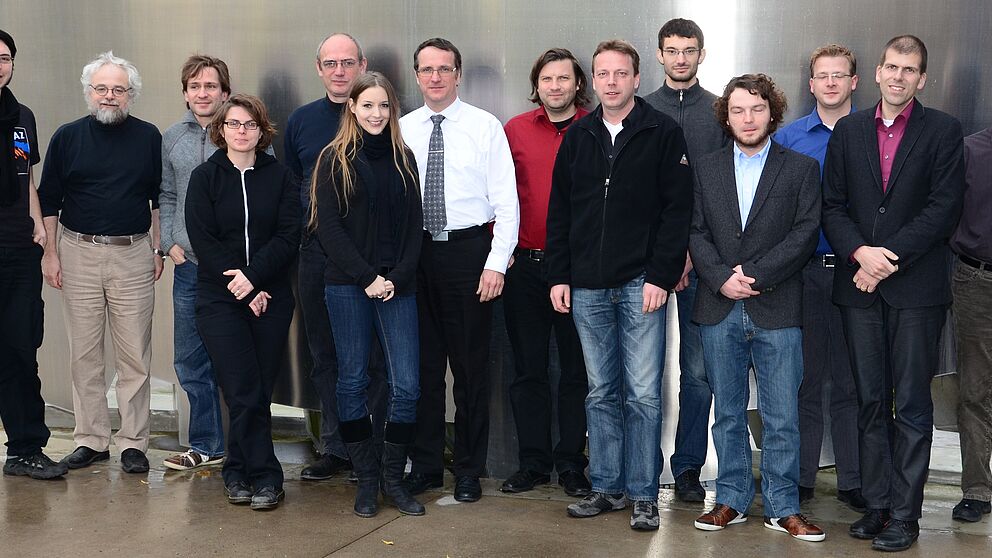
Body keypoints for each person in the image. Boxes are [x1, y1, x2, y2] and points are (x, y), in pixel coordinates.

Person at [822, 35, 965, 552]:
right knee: (867, 400)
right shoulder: (849, 131)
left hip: (916, 291)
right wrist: (861, 253)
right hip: (857, 285)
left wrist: (885, 260)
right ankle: (877, 504)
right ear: (878, 73)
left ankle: (906, 516)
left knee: (910, 405)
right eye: (893, 67)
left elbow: (942, 210)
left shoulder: (944, 132)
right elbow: (832, 205)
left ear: (921, 78)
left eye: (911, 70)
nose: (900, 76)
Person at [547, 39, 692, 531]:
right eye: (602, 73)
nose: (611, 82)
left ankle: (644, 495)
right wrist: (559, 275)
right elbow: (561, 212)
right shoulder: (579, 135)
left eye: (620, 73)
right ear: (595, 79)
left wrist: (661, 275)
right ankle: (606, 487)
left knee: (643, 394)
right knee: (600, 391)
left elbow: (676, 212)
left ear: (634, 78)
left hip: (640, 286)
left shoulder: (662, 131)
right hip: (585, 286)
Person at [689, 74, 825, 542]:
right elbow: (695, 231)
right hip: (718, 304)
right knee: (726, 411)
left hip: (779, 305)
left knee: (781, 414)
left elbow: (805, 233)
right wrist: (721, 278)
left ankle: (783, 507)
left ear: (773, 112)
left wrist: (755, 276)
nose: (748, 119)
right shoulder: (705, 168)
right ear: (726, 117)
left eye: (757, 109)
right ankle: (730, 499)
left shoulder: (801, 168)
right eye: (738, 110)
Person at [400, 37, 519, 503]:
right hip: (415, 257)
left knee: (470, 371)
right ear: (416, 76)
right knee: (422, 371)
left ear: (458, 74)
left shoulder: (485, 127)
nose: (435, 77)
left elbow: (507, 203)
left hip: (469, 256)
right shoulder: (402, 129)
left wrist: (496, 263)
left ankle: (468, 469)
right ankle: (427, 467)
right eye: (426, 69)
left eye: (443, 69)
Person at [38, 51, 163, 475]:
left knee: (135, 356)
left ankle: (133, 443)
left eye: (119, 90)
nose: (110, 96)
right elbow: (49, 199)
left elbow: (158, 198)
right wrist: (50, 254)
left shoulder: (149, 137)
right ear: (89, 92)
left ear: (131, 96)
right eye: (102, 88)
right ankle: (91, 439)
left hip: (133, 254)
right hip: (78, 252)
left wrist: (157, 249)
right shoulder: (67, 137)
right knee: (85, 355)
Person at [310, 72, 425, 518]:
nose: (376, 114)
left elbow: (416, 226)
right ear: (352, 108)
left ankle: (394, 479)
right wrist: (366, 278)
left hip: (398, 285)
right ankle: (367, 478)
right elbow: (330, 230)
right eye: (368, 106)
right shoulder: (332, 159)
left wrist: (396, 276)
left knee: (407, 386)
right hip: (348, 286)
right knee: (353, 380)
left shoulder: (404, 158)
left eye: (384, 106)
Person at [185, 94, 300, 510]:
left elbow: (289, 235)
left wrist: (255, 279)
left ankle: (237, 471)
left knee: (256, 390)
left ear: (261, 130)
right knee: (240, 390)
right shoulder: (205, 177)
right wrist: (242, 285)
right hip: (219, 299)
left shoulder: (280, 177)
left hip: (270, 295)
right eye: (233, 124)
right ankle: (266, 476)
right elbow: (204, 239)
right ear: (221, 129)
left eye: (249, 124)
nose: (241, 131)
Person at [284, 33, 386, 481]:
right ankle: (338, 448)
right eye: (331, 63)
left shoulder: (379, 117)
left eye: (348, 62)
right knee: (324, 354)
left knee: (374, 359)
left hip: (372, 260)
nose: (340, 70)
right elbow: (291, 187)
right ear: (318, 67)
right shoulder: (302, 122)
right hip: (316, 255)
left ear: (362, 64)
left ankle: (375, 448)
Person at [773, 44, 865, 511]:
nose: (830, 83)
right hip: (803, 274)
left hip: (858, 275)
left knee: (852, 381)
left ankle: (853, 481)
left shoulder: (869, 135)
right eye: (822, 76)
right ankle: (802, 477)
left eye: (839, 75)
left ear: (854, 82)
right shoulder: (789, 139)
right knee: (804, 380)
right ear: (810, 84)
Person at [499, 47, 591, 497]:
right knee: (528, 369)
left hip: (578, 271)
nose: (555, 86)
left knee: (576, 372)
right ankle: (533, 463)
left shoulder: (595, 129)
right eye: (547, 79)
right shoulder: (514, 130)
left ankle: (573, 464)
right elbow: (497, 192)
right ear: (537, 86)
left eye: (564, 78)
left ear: (578, 84)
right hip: (525, 267)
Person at [643, 17, 728, 503]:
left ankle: (689, 468)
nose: (680, 58)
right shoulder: (641, 109)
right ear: (658, 54)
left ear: (701, 54)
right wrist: (664, 257)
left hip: (705, 267)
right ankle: (645, 467)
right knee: (644, 372)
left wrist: (694, 257)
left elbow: (722, 196)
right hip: (647, 266)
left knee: (697, 373)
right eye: (672, 50)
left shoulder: (720, 112)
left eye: (688, 50)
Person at [0, 28, 67, 480]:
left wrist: (44, 238)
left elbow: (26, 180)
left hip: (18, 251)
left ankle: (25, 448)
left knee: (21, 350)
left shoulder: (22, 117)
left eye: (4, 57)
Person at [159, 54, 231, 471]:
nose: (202, 94)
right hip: (189, 266)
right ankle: (206, 444)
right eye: (195, 87)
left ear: (224, 90)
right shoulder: (172, 137)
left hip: (235, 268)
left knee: (237, 358)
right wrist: (168, 242)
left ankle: (243, 445)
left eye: (210, 86)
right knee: (190, 359)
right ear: (185, 93)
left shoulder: (243, 130)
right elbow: (166, 194)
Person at [950, 125, 992, 523]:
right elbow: (947, 211)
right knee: (975, 389)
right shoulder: (969, 151)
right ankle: (977, 490)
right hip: (977, 281)